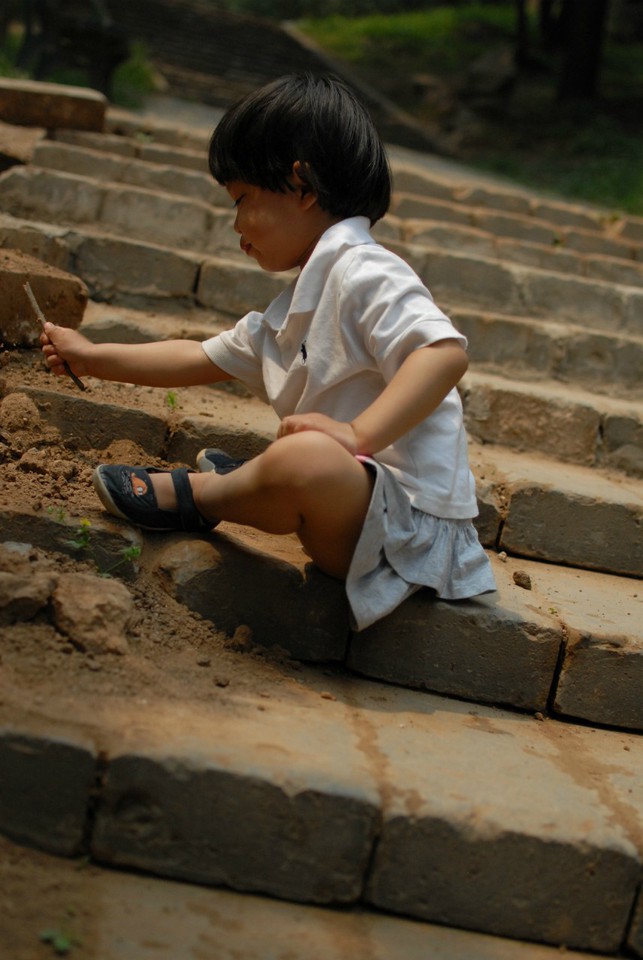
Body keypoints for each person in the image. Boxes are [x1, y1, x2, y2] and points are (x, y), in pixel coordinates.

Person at [41, 72, 496, 631]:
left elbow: (444, 353)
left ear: (301, 185)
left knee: (305, 458)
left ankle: (203, 494)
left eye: (243, 199)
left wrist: (358, 436)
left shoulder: (366, 270)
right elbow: (196, 357)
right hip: (348, 508)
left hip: (403, 530)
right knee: (301, 458)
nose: (236, 226)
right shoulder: (293, 307)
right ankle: (257, 482)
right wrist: (92, 355)